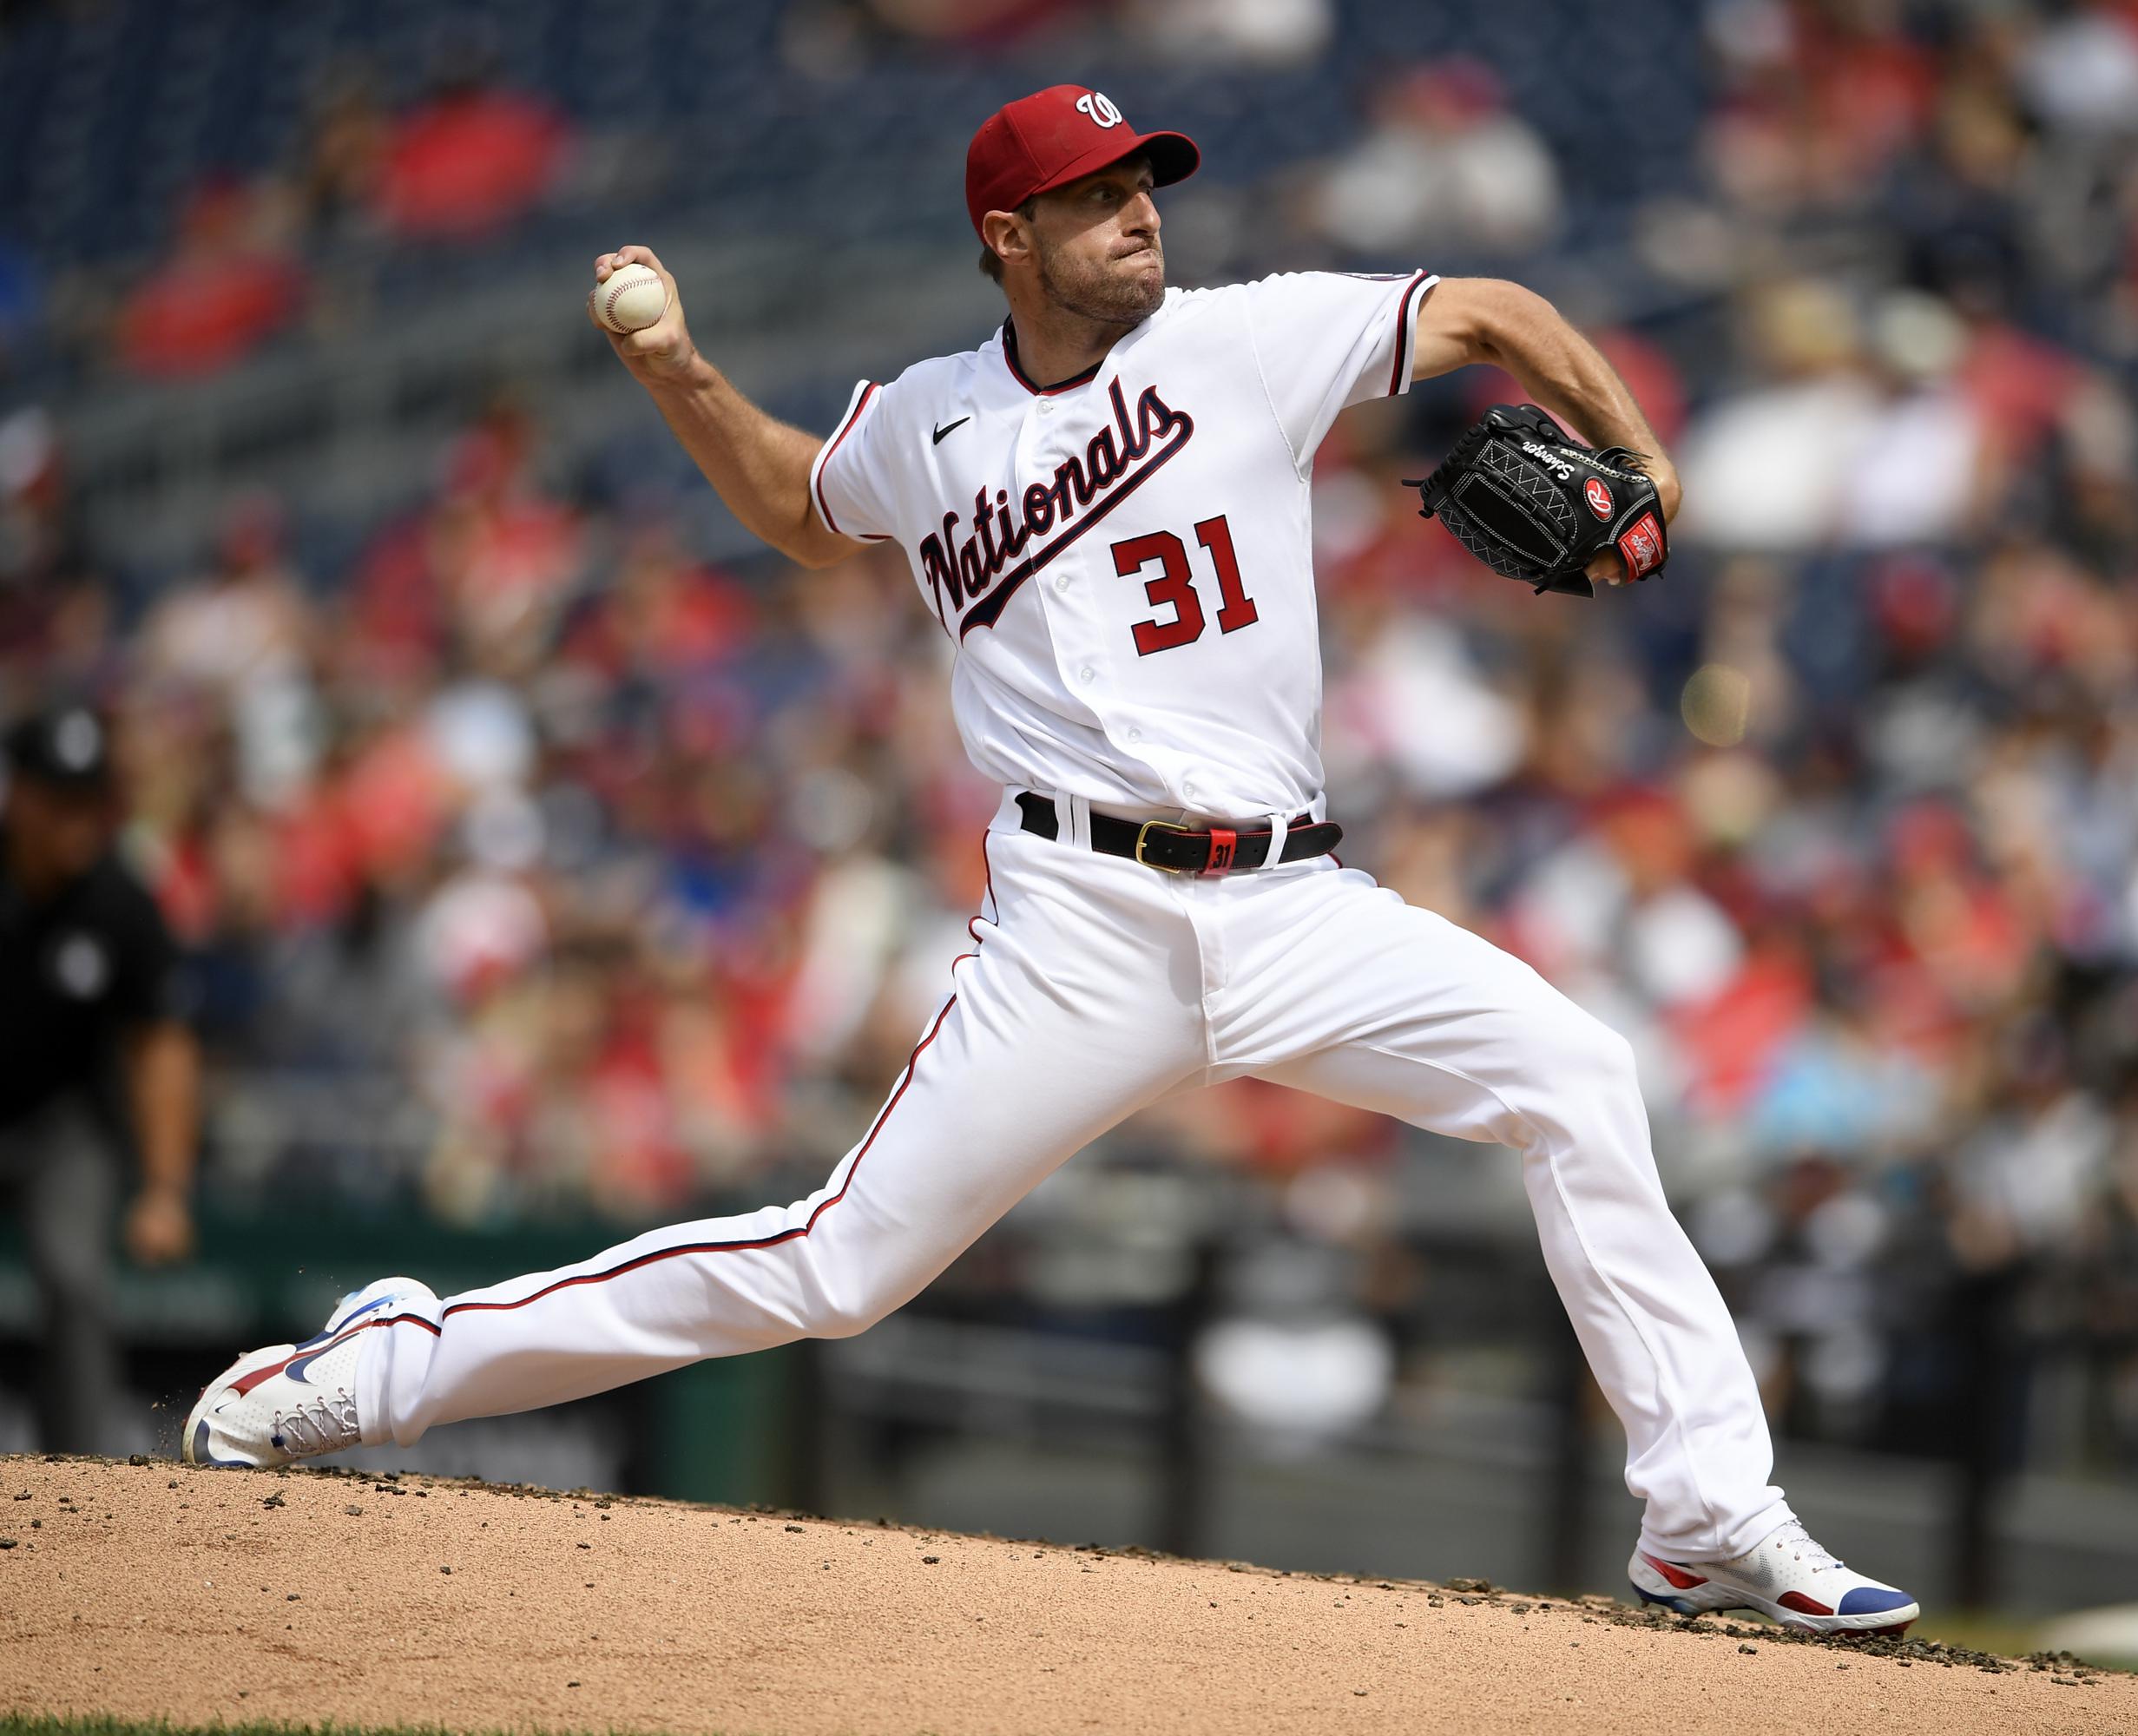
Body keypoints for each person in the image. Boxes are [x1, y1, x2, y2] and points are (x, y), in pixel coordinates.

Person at [186, 84, 1918, 1635]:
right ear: (1008, 236)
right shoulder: (930, 422)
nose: (1141, 211)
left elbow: (1493, 310)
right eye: (1097, 194)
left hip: (1295, 903)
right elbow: (801, 508)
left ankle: (1707, 1518)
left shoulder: (1248, 338)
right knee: (835, 1267)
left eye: (1145, 182)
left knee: (1578, 1073)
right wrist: (677, 374)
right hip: (1078, 925)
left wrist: (1635, 447)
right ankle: (374, 1373)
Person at [0, 705, 201, 1450]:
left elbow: (163, 1050)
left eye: (92, 801)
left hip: (65, 1125)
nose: (80, 821)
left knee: (75, 1277)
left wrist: (164, 1191)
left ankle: (79, 1484)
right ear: (17, 795)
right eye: (60, 801)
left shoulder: (119, 899)